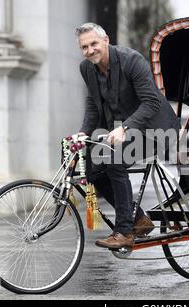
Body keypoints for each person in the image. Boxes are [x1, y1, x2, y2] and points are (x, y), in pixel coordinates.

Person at [75, 23, 180, 249]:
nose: (90, 50)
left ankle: (124, 232)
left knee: (114, 161)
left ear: (106, 40)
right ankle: (139, 220)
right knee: (92, 169)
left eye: (94, 43)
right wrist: (83, 133)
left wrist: (125, 127)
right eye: (84, 47)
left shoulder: (131, 60)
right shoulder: (86, 68)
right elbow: (93, 105)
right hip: (123, 132)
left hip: (157, 129)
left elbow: (151, 102)